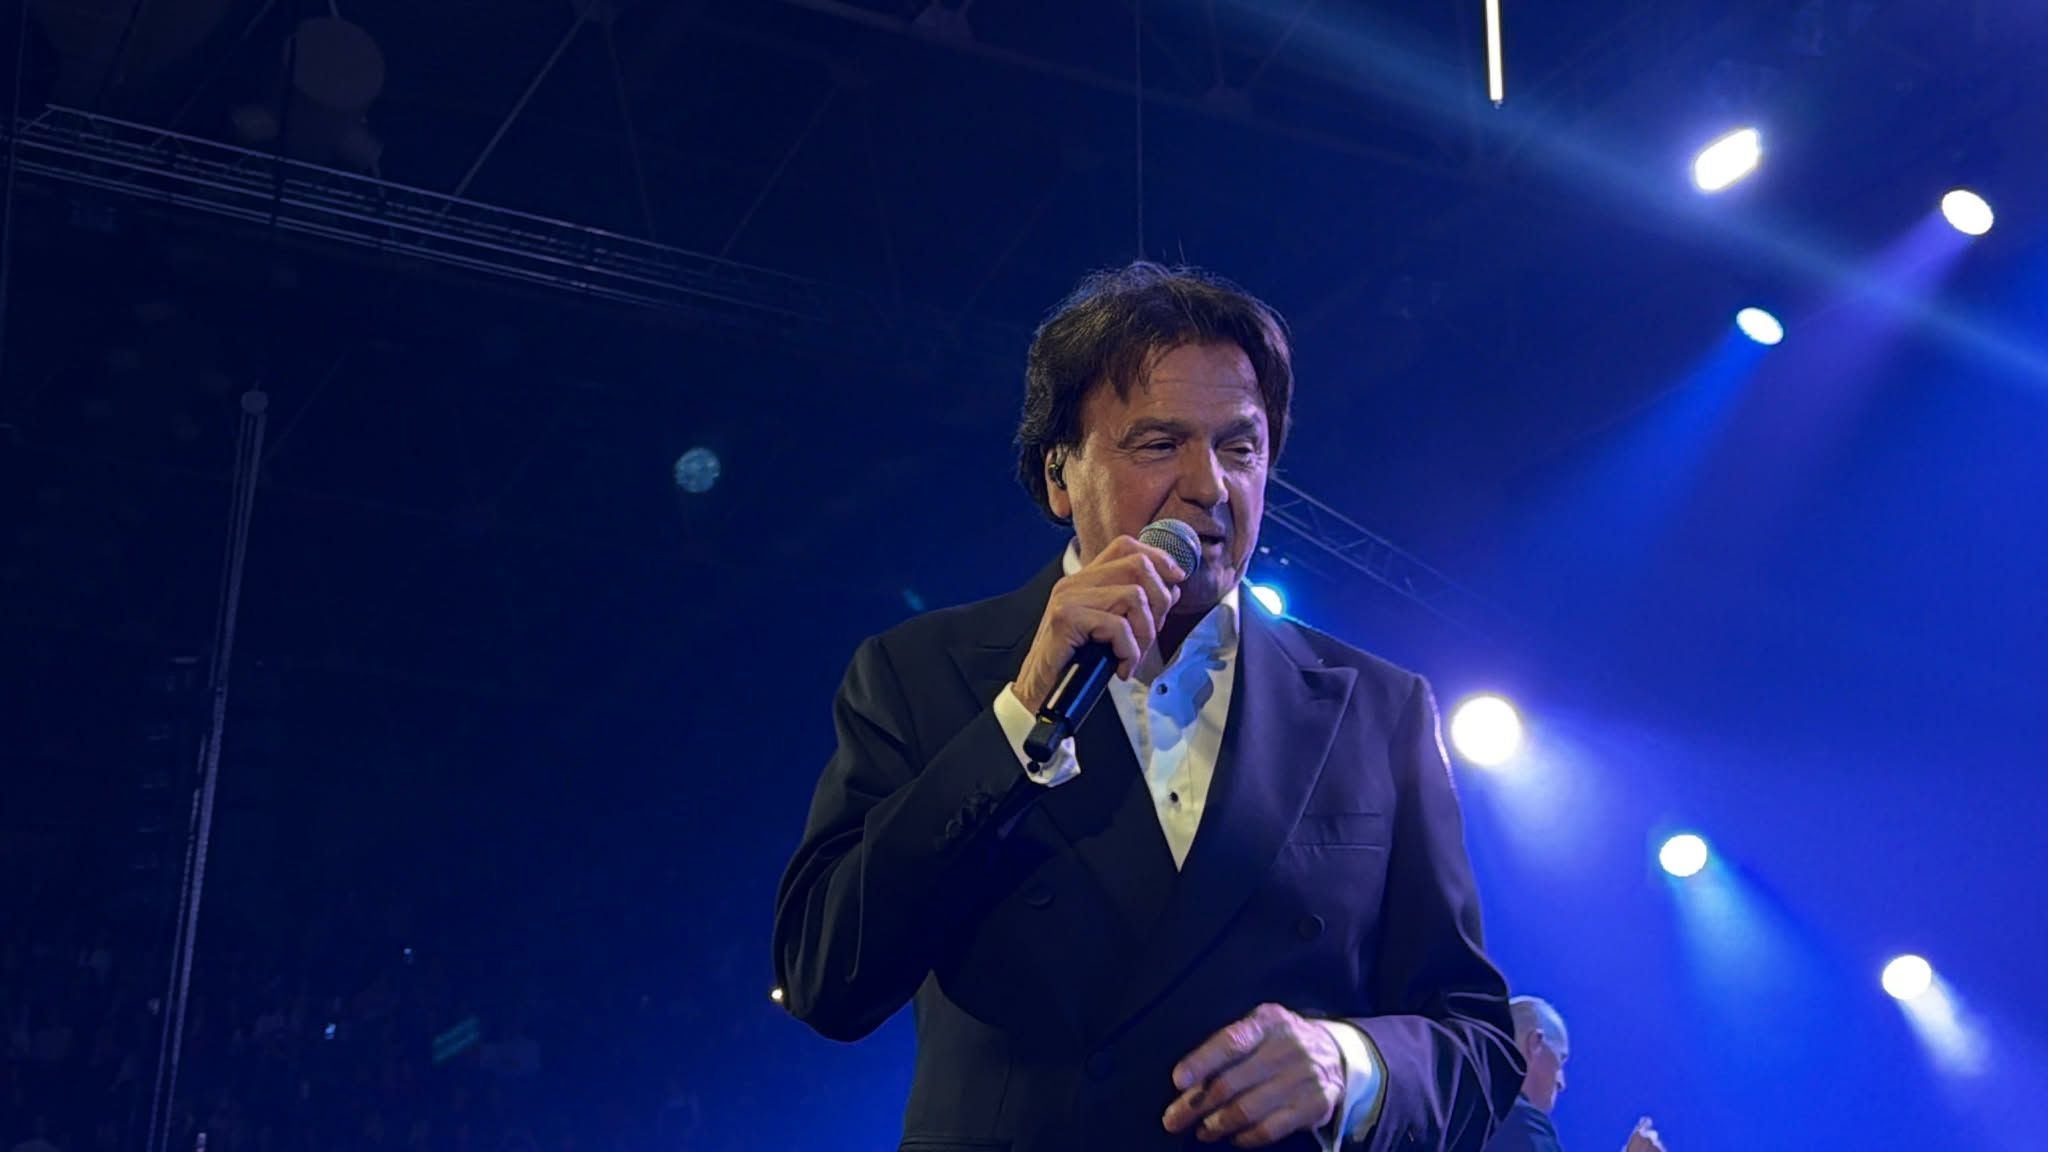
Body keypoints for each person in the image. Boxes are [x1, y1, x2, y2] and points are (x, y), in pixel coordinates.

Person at [772, 262, 1522, 1151]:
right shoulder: (919, 673)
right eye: (1159, 445)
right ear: (1059, 476)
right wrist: (1021, 717)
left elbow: (1478, 1041)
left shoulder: (1380, 709)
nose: (1209, 485)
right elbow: (825, 979)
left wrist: (1348, 1063)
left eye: (1240, 448)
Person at [1483, 996, 1666, 1152]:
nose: (1561, 1083)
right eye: (1560, 1061)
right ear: (1535, 1044)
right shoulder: (1521, 1123)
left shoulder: (1475, 1113)